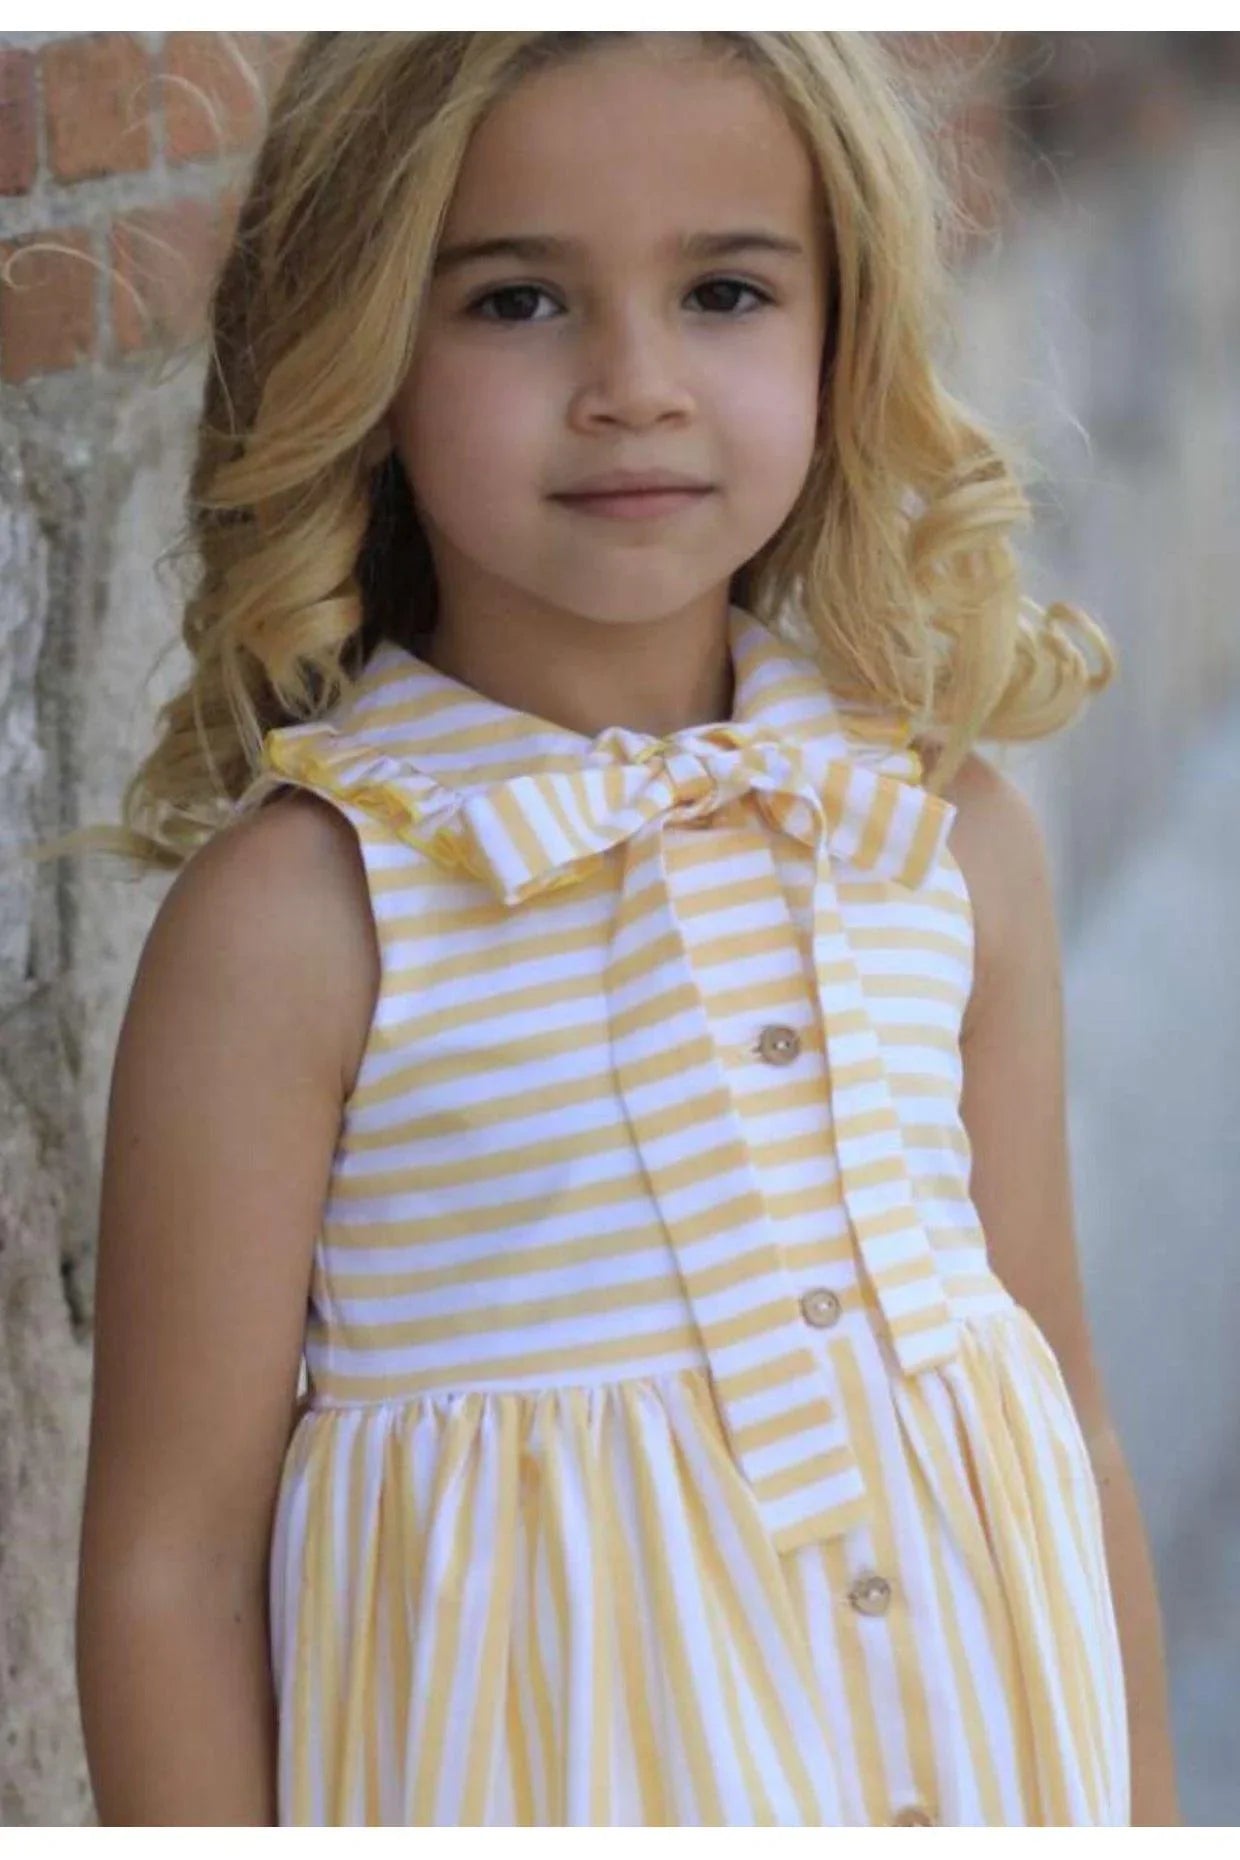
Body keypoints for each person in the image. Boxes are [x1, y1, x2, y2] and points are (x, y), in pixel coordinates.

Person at [49, 31, 1180, 1826]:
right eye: (516, 304)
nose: (635, 385)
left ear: (847, 333)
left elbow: (1066, 1418)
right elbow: (169, 1572)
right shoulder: (305, 920)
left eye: (727, 289)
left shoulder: (935, 838)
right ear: (367, 345)